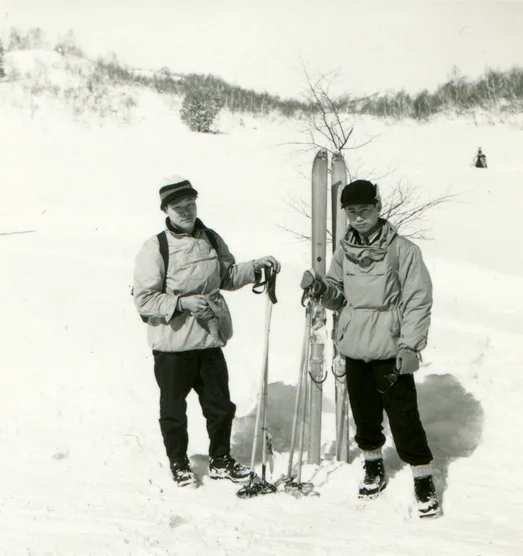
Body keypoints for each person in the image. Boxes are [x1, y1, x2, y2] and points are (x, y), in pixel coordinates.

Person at [300, 179, 440, 518]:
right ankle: (373, 466)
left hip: (391, 346)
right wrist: (321, 288)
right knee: (363, 412)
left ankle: (422, 476)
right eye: (352, 212)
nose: (358, 217)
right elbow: (338, 294)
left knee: (403, 415)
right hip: (354, 344)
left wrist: (410, 346)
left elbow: (418, 299)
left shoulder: (402, 250)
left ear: (377, 209)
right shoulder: (344, 251)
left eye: (364, 210)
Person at [133, 176, 280, 488]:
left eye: (190, 204)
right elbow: (144, 299)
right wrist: (182, 302)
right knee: (173, 410)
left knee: (220, 406)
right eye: (178, 206)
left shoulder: (210, 238)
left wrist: (256, 267)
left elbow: (226, 276)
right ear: (166, 210)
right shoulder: (155, 247)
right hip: (172, 345)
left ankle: (221, 459)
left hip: (209, 338)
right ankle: (178, 462)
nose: (185, 211)